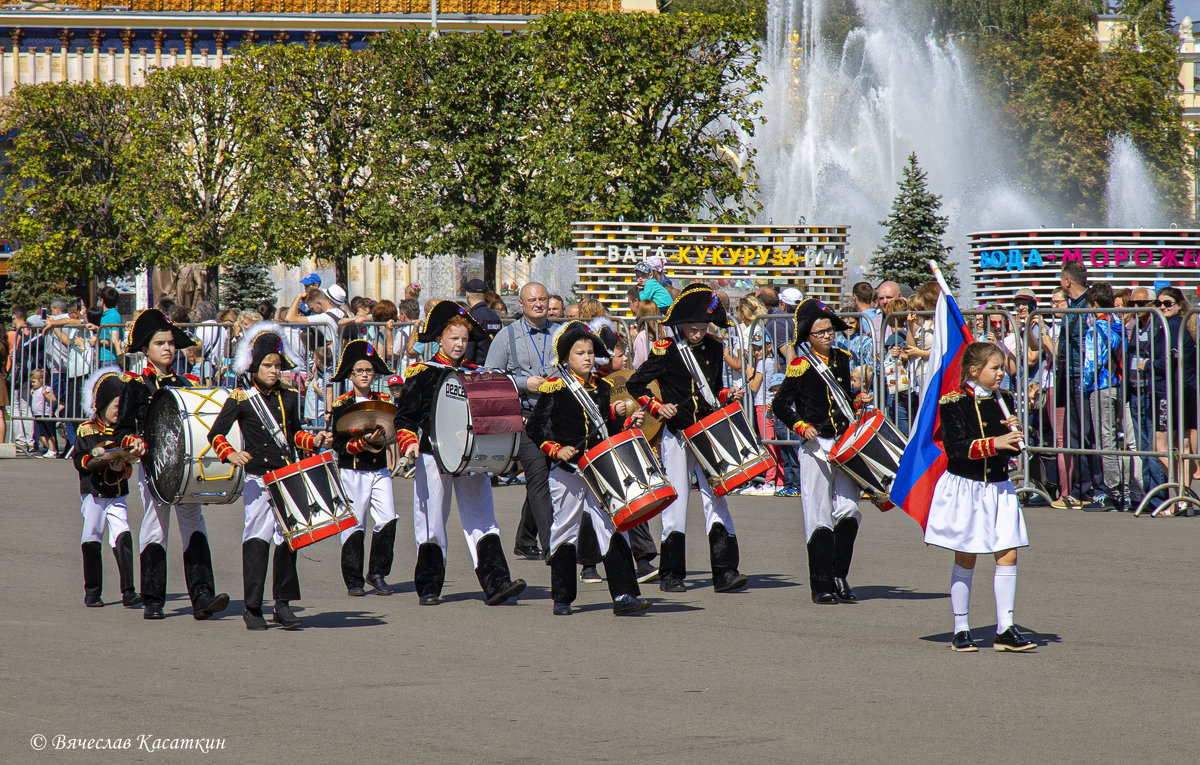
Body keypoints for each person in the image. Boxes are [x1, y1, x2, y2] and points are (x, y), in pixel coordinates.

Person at [395, 301, 527, 606]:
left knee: (483, 518)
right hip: (433, 456)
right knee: (430, 521)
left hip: (472, 457)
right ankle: (429, 586)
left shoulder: (476, 374)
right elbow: (404, 417)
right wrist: (409, 443)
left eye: (464, 339)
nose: (460, 344)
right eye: (454, 338)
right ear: (440, 339)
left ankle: (497, 583)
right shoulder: (423, 372)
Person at [627, 284, 748, 593]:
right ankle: (671, 574)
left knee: (716, 497)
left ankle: (725, 570)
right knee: (676, 502)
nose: (697, 334)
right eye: (692, 328)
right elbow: (635, 384)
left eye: (702, 328)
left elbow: (714, 388)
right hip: (677, 433)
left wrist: (728, 394)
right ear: (680, 325)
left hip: (708, 430)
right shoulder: (666, 348)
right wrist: (657, 406)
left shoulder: (714, 347)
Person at [525, 321, 652, 616]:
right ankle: (562, 597)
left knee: (612, 526)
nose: (587, 358)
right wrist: (556, 449)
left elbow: (605, 427)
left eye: (591, 352)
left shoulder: (603, 388)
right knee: (565, 531)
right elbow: (536, 428)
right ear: (566, 358)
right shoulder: (555, 388)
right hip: (567, 471)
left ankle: (624, 595)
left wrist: (625, 422)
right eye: (580, 352)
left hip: (598, 470)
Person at [207, 323, 327, 630]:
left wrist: (312, 441)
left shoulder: (288, 396)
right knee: (257, 540)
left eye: (277, 366)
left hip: (287, 476)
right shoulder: (241, 398)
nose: (274, 371)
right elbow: (216, 433)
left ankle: (283, 604)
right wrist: (230, 454)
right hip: (258, 480)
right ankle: (253, 606)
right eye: (268, 365)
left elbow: (295, 433)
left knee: (289, 540)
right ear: (254, 366)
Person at [114, 309, 230, 621]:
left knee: (194, 525)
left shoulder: (186, 382)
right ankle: (153, 599)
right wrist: (132, 442)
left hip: (187, 469)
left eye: (170, 343)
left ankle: (203, 595)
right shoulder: (135, 385)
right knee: (155, 527)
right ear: (146, 350)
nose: (168, 348)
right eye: (160, 343)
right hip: (154, 467)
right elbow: (122, 429)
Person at [925, 341, 1034, 652]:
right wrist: (996, 442)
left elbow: (1005, 449)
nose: (1001, 373)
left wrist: (1013, 438)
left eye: (1002, 367)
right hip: (967, 488)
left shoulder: (1003, 401)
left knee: (1008, 554)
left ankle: (1006, 627)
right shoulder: (953, 403)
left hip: (999, 487)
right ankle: (961, 628)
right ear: (974, 371)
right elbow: (956, 448)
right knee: (966, 555)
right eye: (995, 368)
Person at [771, 299, 868, 604]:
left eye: (830, 330)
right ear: (808, 338)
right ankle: (822, 584)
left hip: (843, 443)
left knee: (850, 510)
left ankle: (839, 574)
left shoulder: (842, 358)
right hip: (816, 446)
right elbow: (780, 404)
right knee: (818, 515)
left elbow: (843, 399)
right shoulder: (801, 365)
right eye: (820, 332)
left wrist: (856, 401)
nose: (828, 336)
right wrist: (800, 426)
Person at [484, 282, 559, 560]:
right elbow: (490, 377)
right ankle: (553, 547)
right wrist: (524, 383)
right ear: (521, 304)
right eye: (532, 300)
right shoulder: (506, 337)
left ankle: (525, 539)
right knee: (539, 478)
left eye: (543, 298)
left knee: (553, 478)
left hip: (557, 416)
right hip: (526, 419)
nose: (538, 304)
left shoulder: (559, 333)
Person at [328, 339, 400, 597]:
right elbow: (338, 443)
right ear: (350, 375)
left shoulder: (382, 400)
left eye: (369, 370)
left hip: (379, 469)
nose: (365, 375)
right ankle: (353, 579)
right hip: (353, 471)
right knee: (354, 523)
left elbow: (394, 429)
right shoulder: (341, 404)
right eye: (360, 371)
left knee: (388, 518)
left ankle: (377, 573)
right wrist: (361, 443)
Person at [74, 366, 142, 608]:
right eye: (116, 405)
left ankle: (129, 590)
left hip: (117, 494)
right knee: (91, 537)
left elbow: (130, 467)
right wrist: (100, 460)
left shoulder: (125, 432)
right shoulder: (87, 429)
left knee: (123, 535)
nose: (119, 411)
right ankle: (92, 592)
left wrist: (122, 466)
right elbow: (80, 461)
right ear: (103, 404)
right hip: (93, 494)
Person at [1146, 286, 1197, 516]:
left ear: (1178, 305)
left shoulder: (1175, 326)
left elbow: (1172, 358)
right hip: (1177, 391)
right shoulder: (1169, 326)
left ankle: (1180, 493)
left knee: (1166, 446)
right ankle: (1182, 496)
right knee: (1179, 445)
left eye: (1167, 303)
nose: (1162, 307)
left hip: (1172, 392)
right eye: (1159, 303)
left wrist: (1147, 365)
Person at [1081, 283, 1123, 511]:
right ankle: (1125, 490)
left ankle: (1112, 492)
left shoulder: (1097, 327)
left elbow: (1092, 361)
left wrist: (1084, 386)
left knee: (1105, 439)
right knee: (1118, 439)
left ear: (1094, 304)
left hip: (1101, 386)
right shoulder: (1118, 323)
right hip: (1118, 385)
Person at [463, 279, 502, 366]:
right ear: (484, 295)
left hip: (476, 368)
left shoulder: (472, 317)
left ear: (467, 295)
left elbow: (469, 348)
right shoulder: (494, 315)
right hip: (493, 366)